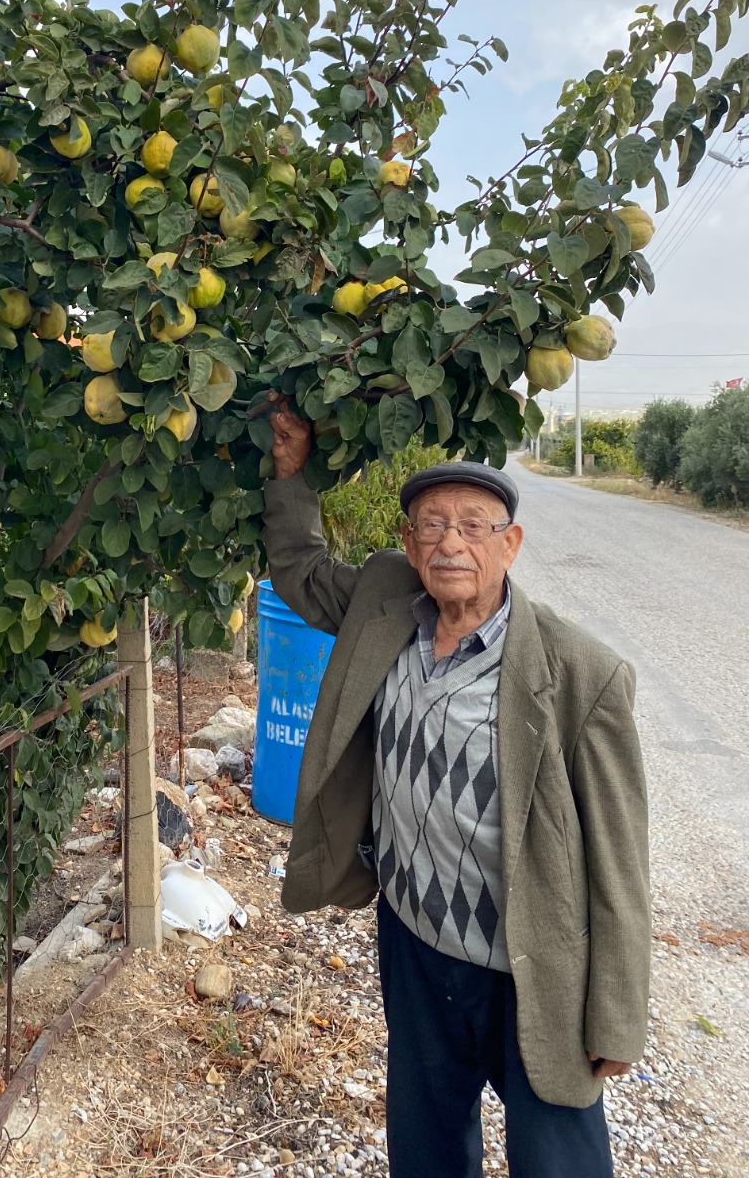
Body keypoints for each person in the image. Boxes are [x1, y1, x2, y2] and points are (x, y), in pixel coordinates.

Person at [263, 399, 650, 1178]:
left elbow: (620, 861)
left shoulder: (582, 675)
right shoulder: (384, 599)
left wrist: (617, 1011)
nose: (450, 543)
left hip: (530, 963)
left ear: (510, 545)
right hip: (415, 937)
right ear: (407, 543)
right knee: (429, 1145)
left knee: (558, 1160)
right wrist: (290, 470)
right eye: (431, 525)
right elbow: (300, 572)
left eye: (473, 526)